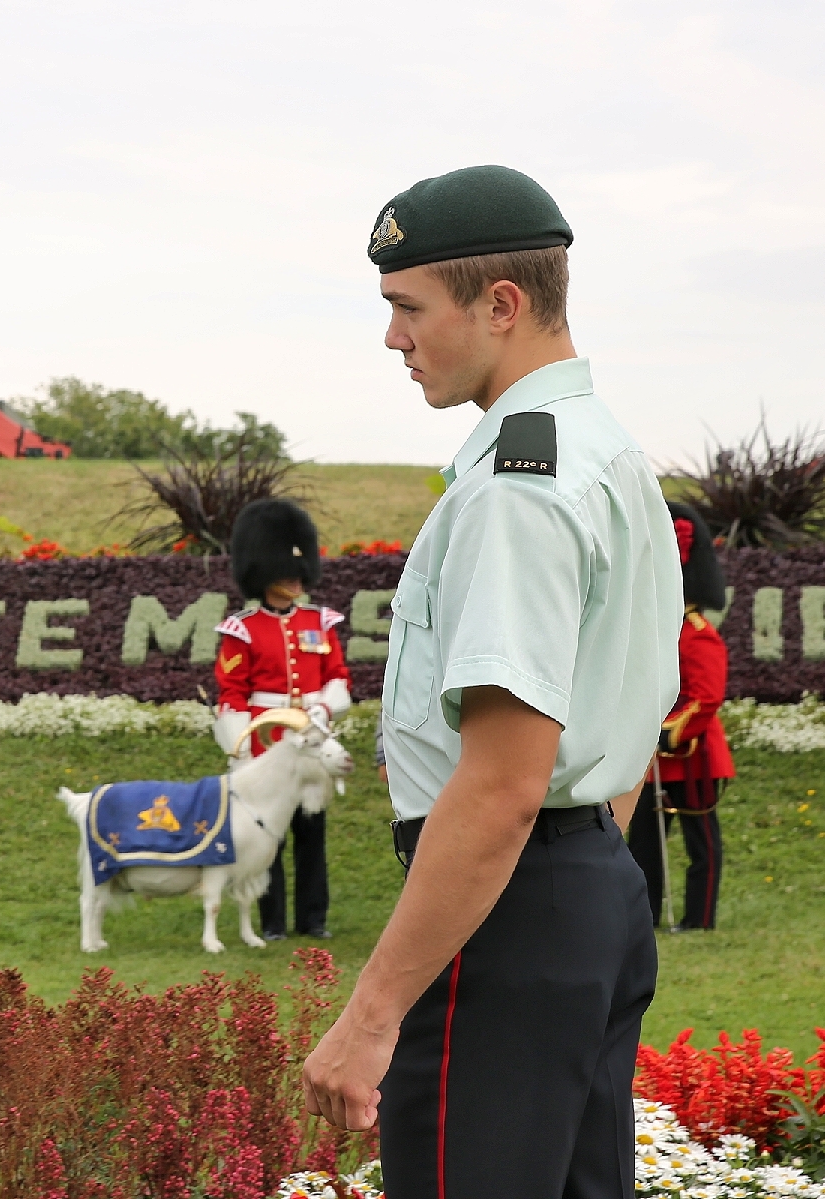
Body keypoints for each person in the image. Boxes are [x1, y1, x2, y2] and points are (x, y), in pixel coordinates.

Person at [301, 165, 683, 1198]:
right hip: (592, 886)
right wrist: (580, 879)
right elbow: (625, 711)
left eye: (406, 307)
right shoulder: (607, 453)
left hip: (507, 913)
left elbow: (505, 783)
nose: (394, 339)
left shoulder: (519, 489)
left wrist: (368, 1016)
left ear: (501, 304)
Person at [213, 498, 352, 940]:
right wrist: (240, 750)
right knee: (268, 835)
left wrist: (323, 709)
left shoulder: (319, 622)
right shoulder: (243, 629)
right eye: (285, 570)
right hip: (266, 746)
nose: (296, 579)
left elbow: (338, 678)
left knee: (313, 832)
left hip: (310, 741)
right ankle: (271, 922)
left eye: (299, 570)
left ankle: (313, 919)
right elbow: (232, 694)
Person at [629, 502, 733, 931]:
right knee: (644, 846)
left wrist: (667, 733)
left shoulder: (697, 634)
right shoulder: (660, 632)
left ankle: (699, 919)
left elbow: (706, 698)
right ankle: (643, 916)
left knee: (702, 844)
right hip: (654, 759)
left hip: (692, 757)